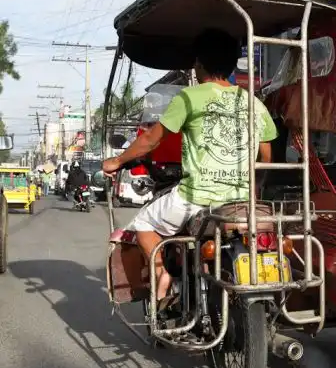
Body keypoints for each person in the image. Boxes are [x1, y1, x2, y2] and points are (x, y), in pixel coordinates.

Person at [102, 28, 278, 311]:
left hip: (196, 199)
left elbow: (150, 140)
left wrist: (117, 161)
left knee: (143, 224)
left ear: (199, 64)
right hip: (241, 201)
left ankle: (162, 274)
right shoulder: (255, 104)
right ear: (232, 64)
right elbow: (265, 156)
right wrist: (253, 188)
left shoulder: (189, 98)